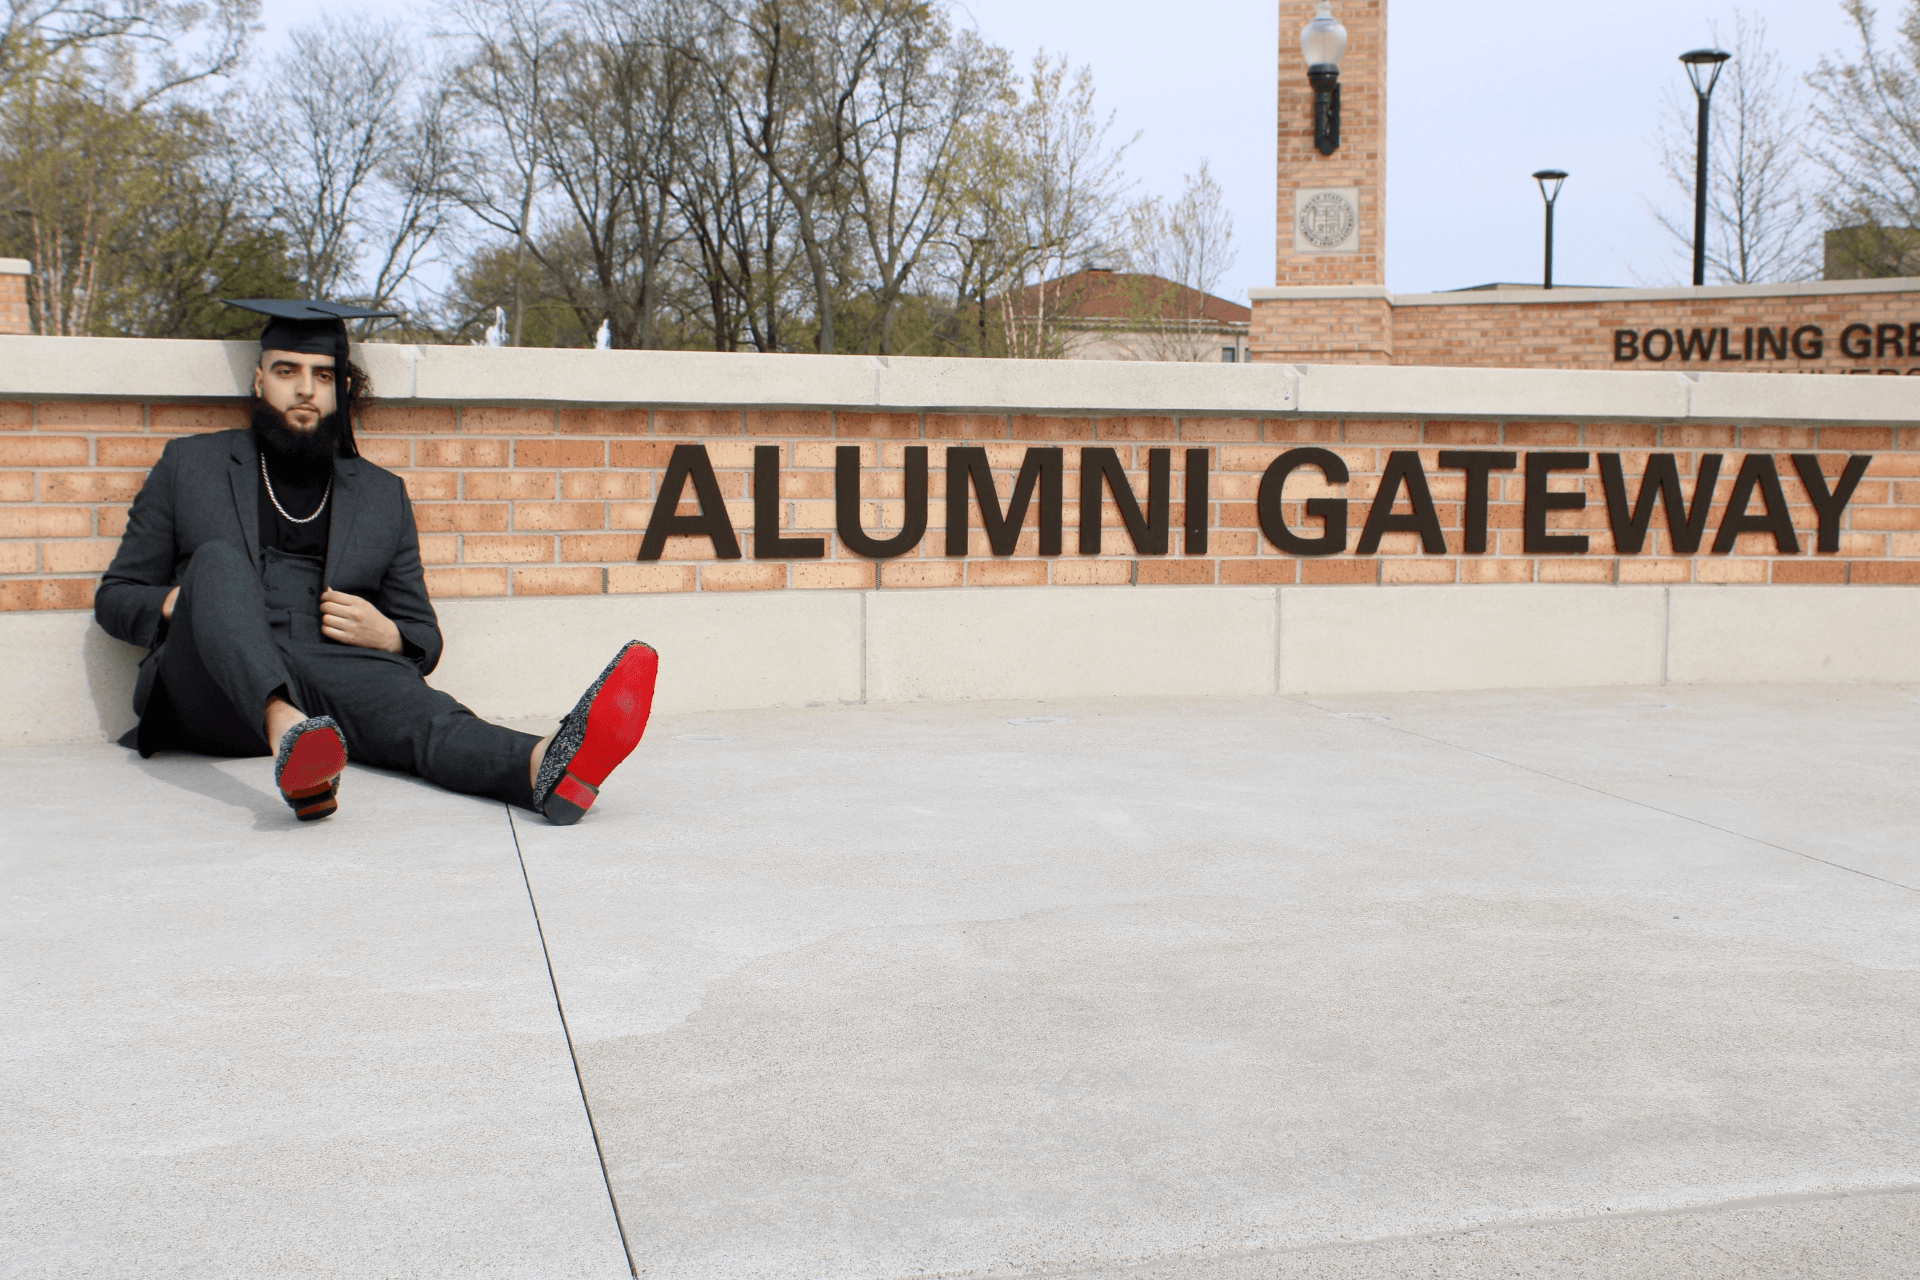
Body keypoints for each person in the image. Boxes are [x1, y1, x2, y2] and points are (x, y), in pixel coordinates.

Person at [94, 299, 656, 824]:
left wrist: (388, 635)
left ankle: (544, 767)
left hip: (330, 661)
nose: (304, 390)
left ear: (342, 388)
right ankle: (286, 730)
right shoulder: (191, 464)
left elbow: (423, 636)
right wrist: (193, 602)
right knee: (215, 561)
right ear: (259, 379)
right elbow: (116, 597)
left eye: (322, 375)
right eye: (287, 371)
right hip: (213, 687)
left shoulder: (382, 494)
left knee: (425, 719)